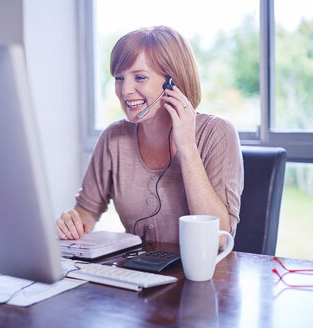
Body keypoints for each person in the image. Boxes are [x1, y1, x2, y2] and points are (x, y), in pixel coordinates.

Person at [55, 26, 243, 245]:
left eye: (140, 77)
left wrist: (187, 147)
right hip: (137, 273)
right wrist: (72, 223)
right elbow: (86, 210)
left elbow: (219, 237)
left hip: (203, 273)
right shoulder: (114, 137)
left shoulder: (217, 133)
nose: (125, 90)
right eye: (119, 78)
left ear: (172, 83)